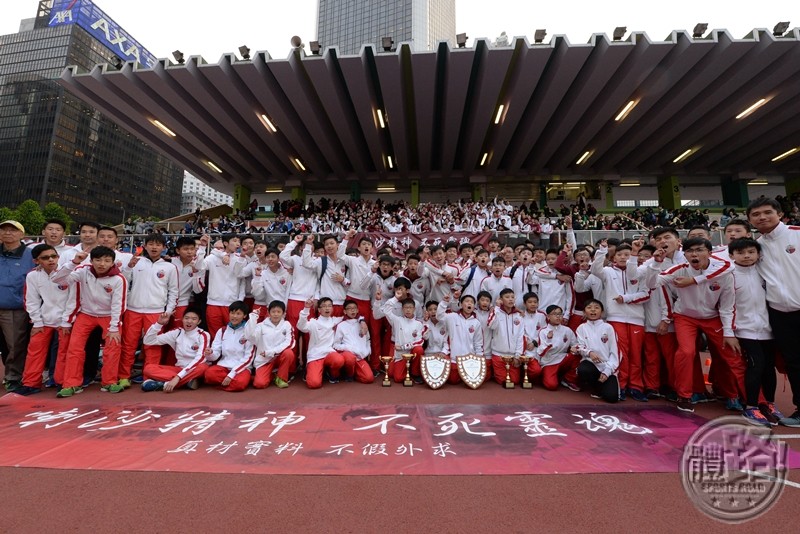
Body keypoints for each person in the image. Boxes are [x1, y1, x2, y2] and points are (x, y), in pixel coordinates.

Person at [644, 237, 745, 413]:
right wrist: (656, 262)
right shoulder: (679, 270)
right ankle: (684, 395)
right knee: (686, 352)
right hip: (685, 317)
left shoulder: (724, 272)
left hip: (712, 316)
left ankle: (739, 396)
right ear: (685, 255)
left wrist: (729, 332)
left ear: (709, 253)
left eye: (699, 250)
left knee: (730, 354)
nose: (694, 255)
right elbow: (652, 284)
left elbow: (728, 306)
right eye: (690, 252)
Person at [747, 198, 800, 427]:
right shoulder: (756, 247)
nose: (762, 217)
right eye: (756, 214)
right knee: (794, 363)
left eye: (767, 212)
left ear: (779, 213)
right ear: (750, 220)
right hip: (780, 314)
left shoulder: (797, 234)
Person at [51, 246, 127, 397]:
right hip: (86, 314)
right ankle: (71, 383)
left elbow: (118, 305)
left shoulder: (119, 279)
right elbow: (57, 279)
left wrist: (113, 327)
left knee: (113, 347)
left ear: (113, 263)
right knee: (74, 348)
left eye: (107, 261)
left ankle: (109, 382)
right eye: (98, 260)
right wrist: (73, 262)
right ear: (91, 261)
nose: (102, 264)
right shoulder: (83, 271)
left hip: (108, 316)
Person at [727, 239, 783, 426]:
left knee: (769, 367)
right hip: (744, 330)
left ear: (758, 254)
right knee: (756, 365)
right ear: (731, 255)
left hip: (768, 329)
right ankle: (751, 406)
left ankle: (770, 404)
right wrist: (730, 332)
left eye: (751, 252)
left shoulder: (764, 272)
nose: (746, 256)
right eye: (741, 253)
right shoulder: (729, 275)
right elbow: (726, 307)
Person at [118, 233, 179, 387]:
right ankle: (124, 376)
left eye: (158, 244)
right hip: (133, 309)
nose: (154, 247)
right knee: (128, 344)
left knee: (153, 345)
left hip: (156, 311)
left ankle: (149, 376)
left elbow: (173, 290)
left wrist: (169, 310)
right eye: (151, 244)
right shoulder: (136, 262)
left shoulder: (170, 267)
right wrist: (128, 267)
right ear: (144, 246)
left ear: (164, 248)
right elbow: (123, 281)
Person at [590, 241, 649, 401]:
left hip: (637, 318)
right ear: (614, 257)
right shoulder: (608, 271)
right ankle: (621, 385)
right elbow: (595, 269)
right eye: (620, 255)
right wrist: (602, 251)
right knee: (621, 354)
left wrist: (626, 298)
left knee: (636, 354)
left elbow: (645, 294)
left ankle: (636, 386)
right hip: (616, 317)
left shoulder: (640, 273)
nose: (623, 257)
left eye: (627, 255)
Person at [13, 245, 73, 395]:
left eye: (54, 256)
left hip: (65, 320)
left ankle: (61, 382)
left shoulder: (68, 273)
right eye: (45, 258)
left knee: (64, 352)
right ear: (36, 260)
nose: (51, 260)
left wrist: (67, 320)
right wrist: (37, 321)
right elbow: (31, 300)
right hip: (44, 320)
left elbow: (74, 299)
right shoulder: (33, 275)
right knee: (34, 351)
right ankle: (31, 383)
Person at [0, 220, 35, 391]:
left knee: (15, 345)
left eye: (12, 230)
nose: (8, 233)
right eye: (4, 230)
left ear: (22, 234)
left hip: (15, 307)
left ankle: (13, 376)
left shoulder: (30, 255)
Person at [140, 309, 210, 392]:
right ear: (182, 319)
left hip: (194, 369)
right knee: (148, 368)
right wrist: (158, 324)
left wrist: (177, 378)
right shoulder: (177, 332)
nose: (189, 321)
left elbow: (200, 359)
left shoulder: (203, 335)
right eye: (186, 318)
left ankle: (164, 384)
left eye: (194, 319)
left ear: (199, 322)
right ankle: (186, 382)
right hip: (178, 369)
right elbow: (148, 341)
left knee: (203, 367)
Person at [298, 297, 359, 388]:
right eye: (324, 306)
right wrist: (306, 309)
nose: (327, 308)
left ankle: (332, 375)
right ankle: (312, 370)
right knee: (314, 384)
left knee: (339, 360)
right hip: (316, 355)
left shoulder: (335, 320)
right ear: (319, 310)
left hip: (330, 353)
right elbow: (301, 326)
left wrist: (362, 320)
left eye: (329, 306)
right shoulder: (313, 322)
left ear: (332, 308)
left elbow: (352, 315)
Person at [196, 233, 246, 338]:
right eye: (234, 241)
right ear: (226, 243)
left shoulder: (240, 259)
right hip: (213, 303)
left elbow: (241, 280)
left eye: (238, 241)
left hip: (232, 304)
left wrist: (240, 300)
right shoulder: (212, 258)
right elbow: (198, 266)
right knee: (216, 336)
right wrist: (202, 247)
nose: (237, 244)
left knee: (233, 336)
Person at [573, 299, 620, 403]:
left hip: (607, 365)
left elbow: (615, 352)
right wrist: (589, 352)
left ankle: (602, 385)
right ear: (584, 312)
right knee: (583, 369)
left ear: (602, 312)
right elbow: (579, 346)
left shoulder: (608, 328)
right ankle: (596, 386)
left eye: (596, 308)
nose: (593, 310)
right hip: (591, 364)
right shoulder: (581, 328)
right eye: (589, 308)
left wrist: (607, 371)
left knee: (612, 398)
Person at [203, 301, 255, 392]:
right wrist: (210, 353)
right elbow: (215, 353)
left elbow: (249, 358)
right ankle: (230, 384)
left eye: (238, 314)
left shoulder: (248, 332)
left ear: (245, 315)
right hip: (224, 366)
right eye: (232, 313)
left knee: (240, 383)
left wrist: (232, 374)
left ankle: (224, 385)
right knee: (209, 374)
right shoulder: (222, 331)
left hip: (241, 368)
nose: (234, 316)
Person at [245, 300, 295, 389]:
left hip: (279, 357)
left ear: (283, 313)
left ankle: (281, 378)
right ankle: (272, 375)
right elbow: (251, 337)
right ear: (268, 313)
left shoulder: (287, 325)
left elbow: (289, 343)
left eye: (279, 312)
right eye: (273, 312)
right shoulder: (260, 325)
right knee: (259, 384)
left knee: (288, 353)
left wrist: (271, 352)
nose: (276, 314)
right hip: (264, 360)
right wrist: (253, 319)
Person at [436, 292, 483, 385]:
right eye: (467, 301)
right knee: (453, 381)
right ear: (461, 304)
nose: (469, 303)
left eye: (472, 302)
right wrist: (444, 302)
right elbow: (439, 316)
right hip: (454, 358)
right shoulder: (452, 317)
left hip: (469, 359)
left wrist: (479, 358)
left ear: (474, 306)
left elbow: (478, 342)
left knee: (473, 381)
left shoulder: (476, 323)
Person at [532, 305, 580, 391]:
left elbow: (576, 344)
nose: (558, 316)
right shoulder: (543, 331)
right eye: (554, 314)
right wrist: (549, 340)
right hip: (549, 361)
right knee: (551, 386)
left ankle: (568, 379)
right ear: (548, 317)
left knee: (577, 356)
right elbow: (541, 352)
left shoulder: (567, 330)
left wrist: (575, 348)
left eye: (560, 314)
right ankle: (547, 375)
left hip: (563, 358)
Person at [332, 300, 375, 384]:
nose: (352, 310)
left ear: (358, 310)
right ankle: (349, 375)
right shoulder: (341, 325)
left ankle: (355, 372)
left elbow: (368, 340)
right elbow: (336, 344)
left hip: (360, 356)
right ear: (344, 311)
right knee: (349, 358)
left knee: (369, 378)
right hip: (349, 355)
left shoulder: (363, 324)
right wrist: (349, 348)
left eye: (354, 308)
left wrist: (367, 351)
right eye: (349, 308)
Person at [488, 288, 524, 385]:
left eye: (512, 297)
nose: (510, 299)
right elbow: (491, 325)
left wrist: (517, 355)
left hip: (513, 356)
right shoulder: (496, 312)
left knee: (515, 381)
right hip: (499, 355)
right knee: (503, 381)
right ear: (501, 299)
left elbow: (520, 337)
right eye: (507, 297)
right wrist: (496, 308)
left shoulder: (519, 316)